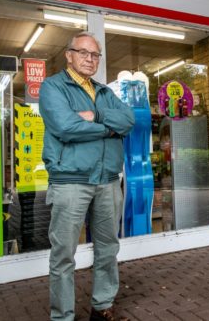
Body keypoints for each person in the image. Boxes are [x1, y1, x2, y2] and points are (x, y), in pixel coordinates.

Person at [39, 31, 134, 321]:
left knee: (108, 249)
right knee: (63, 255)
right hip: (70, 181)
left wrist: (93, 116)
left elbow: (129, 120)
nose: (90, 59)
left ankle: (102, 306)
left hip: (107, 180)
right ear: (69, 54)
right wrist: (109, 126)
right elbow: (66, 127)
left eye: (95, 55)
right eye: (83, 52)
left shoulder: (105, 91)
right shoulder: (53, 87)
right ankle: (62, 316)